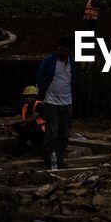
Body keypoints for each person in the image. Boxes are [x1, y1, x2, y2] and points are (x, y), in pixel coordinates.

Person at [37, 36, 76, 169]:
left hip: (67, 101)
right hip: (51, 101)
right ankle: (48, 159)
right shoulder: (50, 61)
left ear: (70, 51)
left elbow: (73, 80)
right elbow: (40, 77)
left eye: (65, 50)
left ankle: (59, 159)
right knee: (52, 132)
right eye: (60, 50)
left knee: (64, 133)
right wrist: (42, 93)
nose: (62, 53)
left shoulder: (72, 62)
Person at [13, 85, 47, 154]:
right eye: (26, 97)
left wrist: (16, 121)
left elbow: (32, 119)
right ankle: (26, 147)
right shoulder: (25, 106)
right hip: (32, 127)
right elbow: (19, 115)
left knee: (26, 130)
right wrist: (12, 121)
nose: (28, 99)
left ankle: (26, 149)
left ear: (34, 97)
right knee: (20, 128)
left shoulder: (39, 105)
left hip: (42, 129)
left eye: (30, 97)